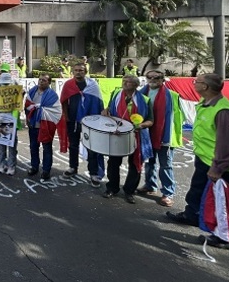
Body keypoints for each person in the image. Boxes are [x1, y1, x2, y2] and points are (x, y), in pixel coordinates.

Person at [166, 73, 229, 250]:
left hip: (221, 166)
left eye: (197, 82)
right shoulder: (205, 104)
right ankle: (192, 214)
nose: (194, 84)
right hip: (204, 159)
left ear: (206, 87)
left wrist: (217, 168)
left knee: (226, 202)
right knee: (198, 190)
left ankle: (228, 237)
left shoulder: (224, 111)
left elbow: (227, 144)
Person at [101, 75, 153, 204]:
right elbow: (109, 110)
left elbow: (151, 121)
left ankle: (129, 191)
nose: (125, 83)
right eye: (123, 81)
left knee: (135, 164)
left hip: (136, 135)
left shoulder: (145, 100)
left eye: (128, 82)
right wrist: (105, 111)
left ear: (136, 85)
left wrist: (141, 125)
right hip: (117, 133)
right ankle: (112, 188)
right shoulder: (116, 94)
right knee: (113, 162)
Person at [137, 70, 184, 207]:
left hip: (165, 136)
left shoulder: (172, 96)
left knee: (165, 165)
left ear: (162, 79)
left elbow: (178, 119)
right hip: (147, 134)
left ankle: (168, 193)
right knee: (150, 161)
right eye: (149, 77)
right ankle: (150, 185)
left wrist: (169, 137)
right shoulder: (140, 93)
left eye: (156, 77)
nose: (152, 79)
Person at [59, 63, 105, 187]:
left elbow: (99, 102)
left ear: (85, 72)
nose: (78, 72)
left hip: (89, 122)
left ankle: (93, 173)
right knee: (73, 145)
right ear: (73, 71)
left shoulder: (92, 85)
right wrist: (66, 117)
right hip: (73, 120)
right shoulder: (68, 85)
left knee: (91, 147)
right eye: (76, 70)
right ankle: (73, 167)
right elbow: (63, 101)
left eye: (81, 70)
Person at [25, 74, 61, 180]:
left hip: (45, 126)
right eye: (40, 79)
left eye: (44, 80)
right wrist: (28, 118)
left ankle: (46, 170)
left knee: (47, 148)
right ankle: (34, 166)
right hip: (33, 125)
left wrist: (40, 108)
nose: (41, 81)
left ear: (49, 83)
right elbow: (27, 106)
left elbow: (56, 111)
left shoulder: (53, 95)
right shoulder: (32, 92)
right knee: (33, 147)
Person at [0, 63, 21, 176]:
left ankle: (11, 165)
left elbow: (19, 103)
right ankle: (1, 164)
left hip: (11, 118)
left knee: (11, 144)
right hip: (1, 118)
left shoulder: (15, 85)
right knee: (1, 143)